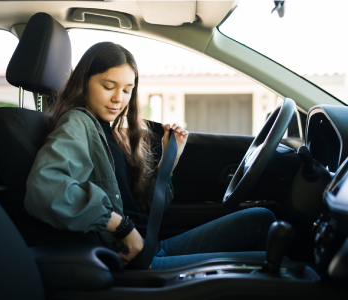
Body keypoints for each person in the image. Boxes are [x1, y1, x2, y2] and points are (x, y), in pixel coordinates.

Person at [24, 41, 275, 270]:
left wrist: (170, 159)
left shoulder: (109, 131)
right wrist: (121, 227)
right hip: (137, 261)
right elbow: (45, 188)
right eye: (108, 86)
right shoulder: (78, 123)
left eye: (127, 90)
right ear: (84, 82)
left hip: (151, 245)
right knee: (273, 260)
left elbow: (144, 209)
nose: (118, 99)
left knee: (262, 221)